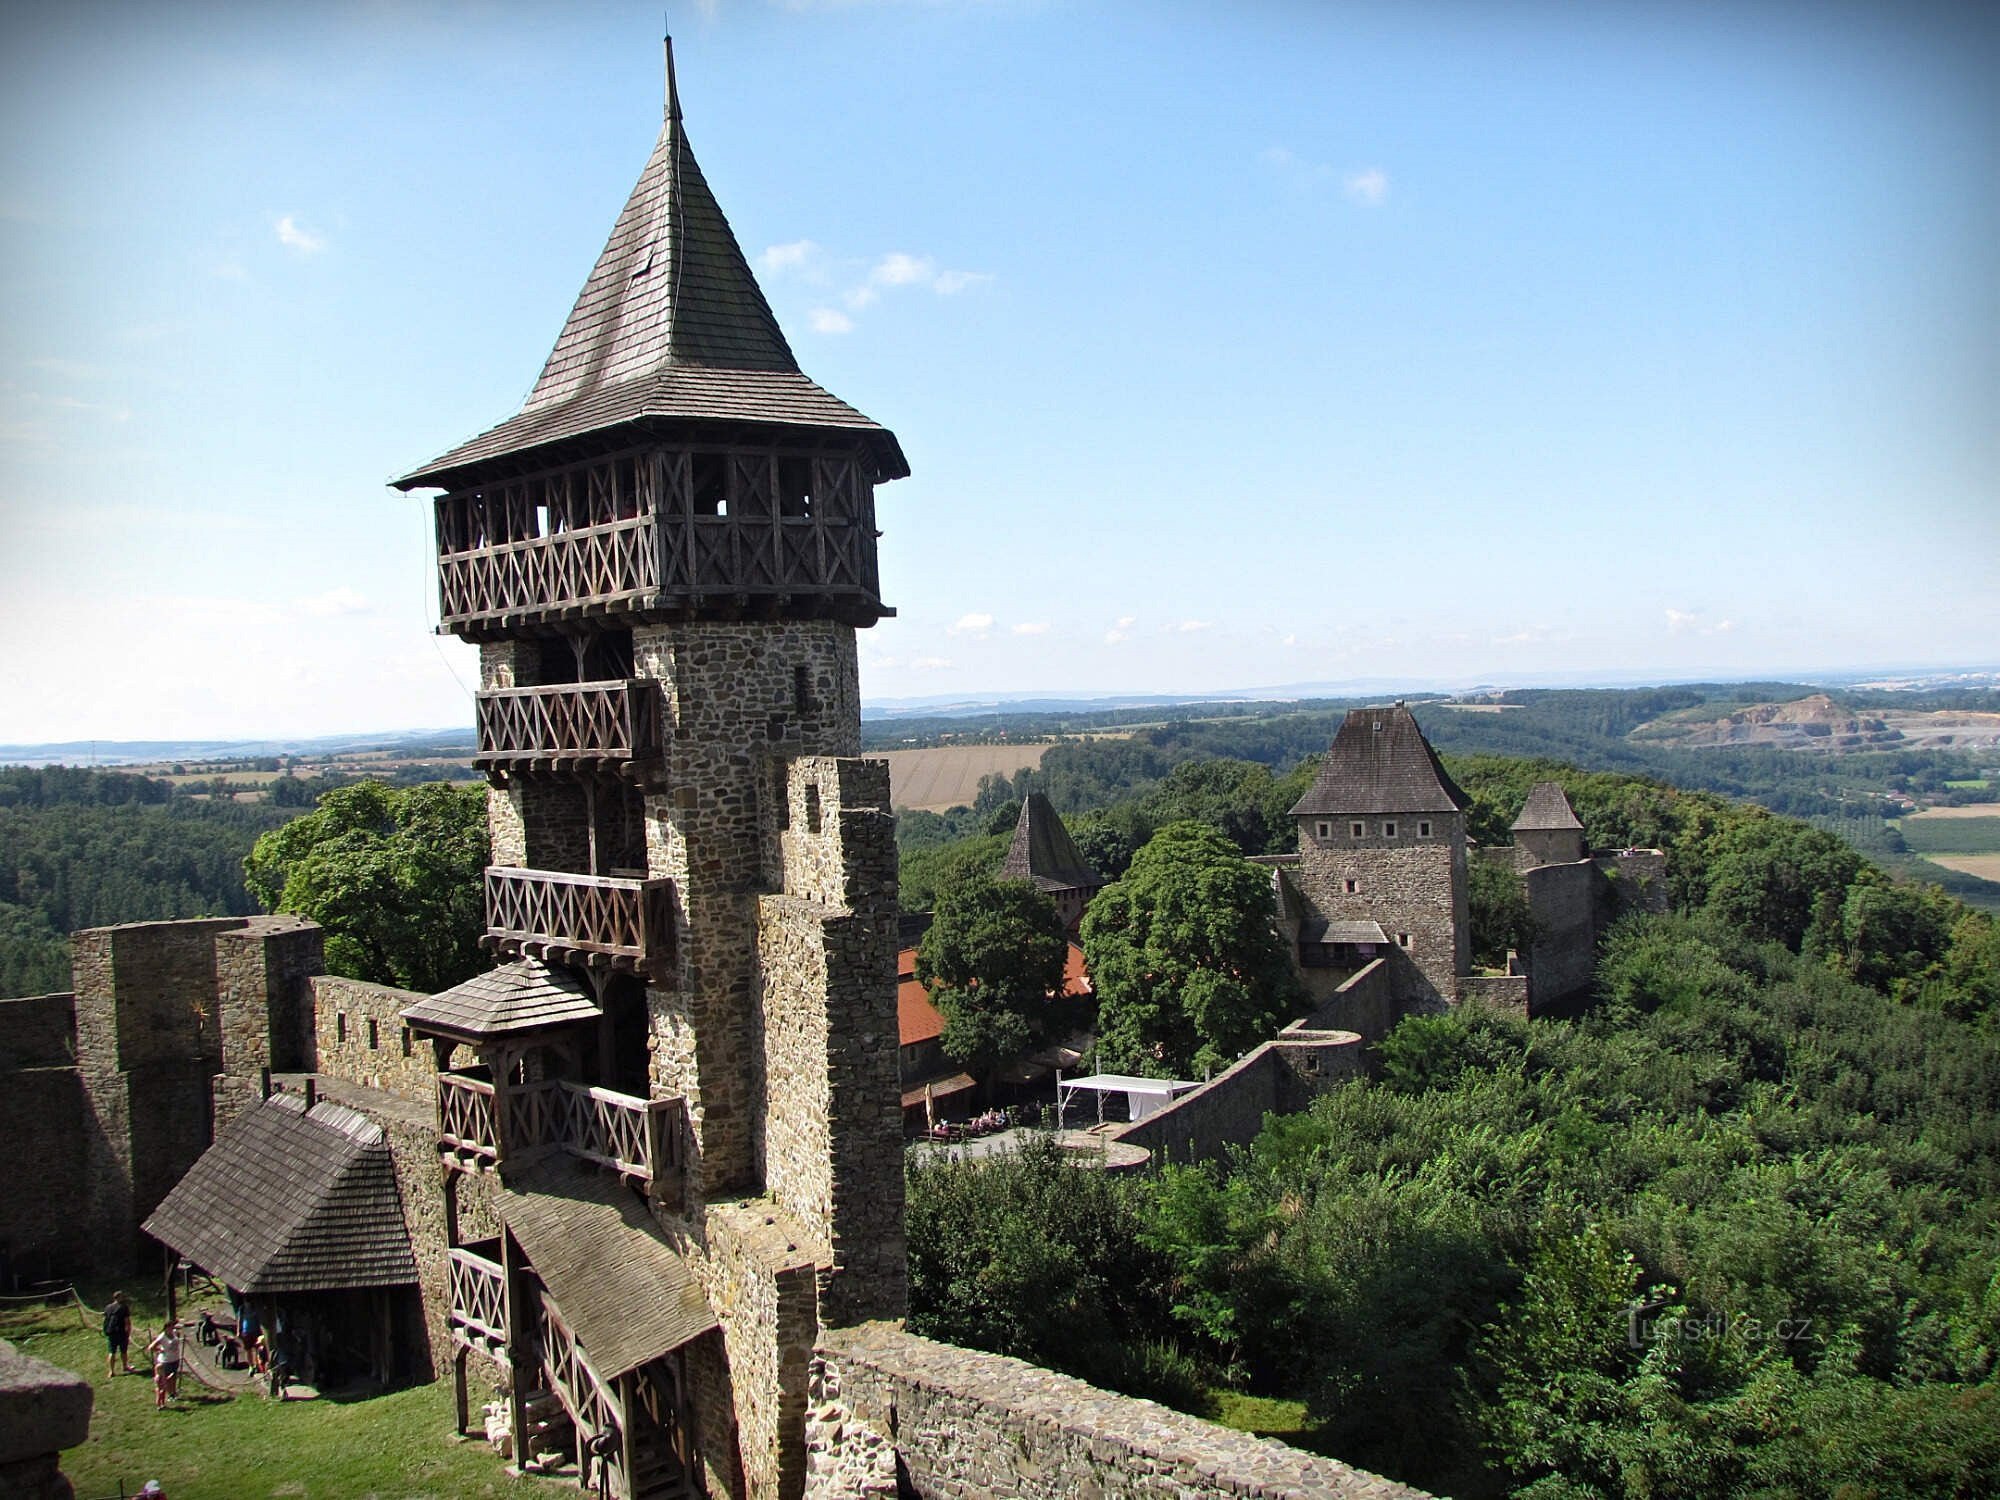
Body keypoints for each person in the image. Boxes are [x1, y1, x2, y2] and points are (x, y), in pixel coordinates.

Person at [146, 1320, 183, 1409]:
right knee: (165, 1380)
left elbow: (177, 1338)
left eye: (173, 1327)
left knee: (173, 1376)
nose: (172, 1328)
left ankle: (173, 1393)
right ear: (166, 1328)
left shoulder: (174, 1333)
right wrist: (160, 1350)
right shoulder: (162, 1337)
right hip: (165, 1361)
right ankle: (162, 1400)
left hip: (175, 1359)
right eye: (170, 1327)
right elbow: (151, 1347)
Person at [102, 1291, 132, 1376]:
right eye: (122, 1296)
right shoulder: (124, 1307)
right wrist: (128, 1332)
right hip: (121, 1332)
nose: (123, 1298)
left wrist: (105, 1330)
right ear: (118, 1297)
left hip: (111, 1332)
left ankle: (111, 1371)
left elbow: (105, 1319)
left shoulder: (108, 1307)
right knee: (123, 1351)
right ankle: (125, 1366)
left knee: (112, 1352)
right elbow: (127, 1321)